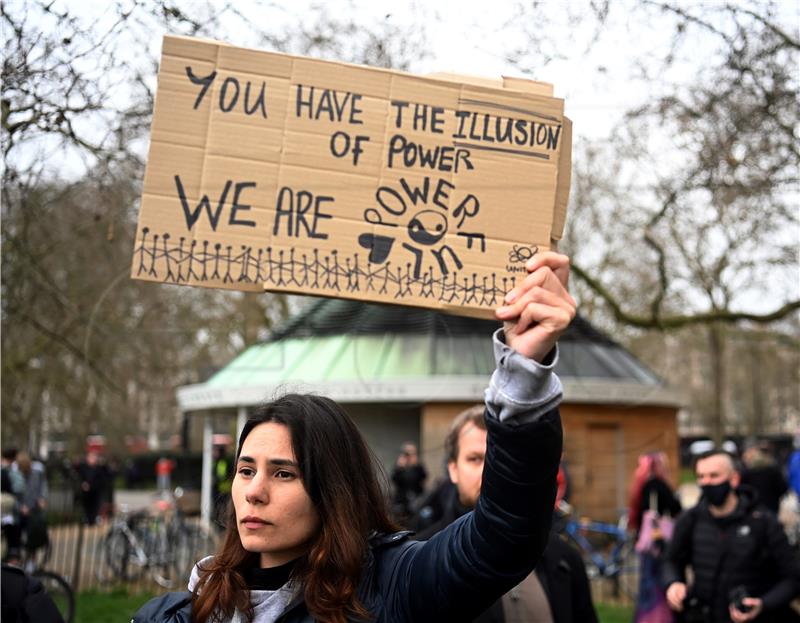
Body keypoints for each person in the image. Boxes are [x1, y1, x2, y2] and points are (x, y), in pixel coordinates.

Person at [133, 251, 575, 623]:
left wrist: (523, 374)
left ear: (333, 490)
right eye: (246, 470)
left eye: (284, 473)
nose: (254, 492)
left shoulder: (391, 589)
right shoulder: (177, 612)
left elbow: (502, 537)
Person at [415, 404, 599, 623]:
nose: (490, 470)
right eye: (475, 459)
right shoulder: (420, 560)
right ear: (453, 469)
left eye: (500, 457)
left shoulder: (564, 559)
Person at [663, 450, 800, 623]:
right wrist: (673, 583)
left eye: (714, 476)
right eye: (701, 476)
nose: (706, 482)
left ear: (734, 479)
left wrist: (763, 604)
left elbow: (793, 578)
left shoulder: (763, 522)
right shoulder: (690, 519)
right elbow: (671, 560)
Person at [628, 452, 681, 623]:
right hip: (656, 542)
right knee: (657, 580)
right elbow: (674, 508)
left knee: (647, 582)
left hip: (645, 541)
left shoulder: (642, 485)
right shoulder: (657, 484)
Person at [11, 453, 49, 556]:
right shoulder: (14, 472)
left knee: (34, 535)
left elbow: (43, 485)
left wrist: (43, 498)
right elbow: (13, 492)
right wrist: (20, 506)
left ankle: (32, 558)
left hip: (34, 508)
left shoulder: (38, 470)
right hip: (21, 509)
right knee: (17, 534)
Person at [740, 441, 788, 515]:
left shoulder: (748, 472)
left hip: (754, 508)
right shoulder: (774, 471)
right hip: (771, 507)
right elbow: (783, 488)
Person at [390, 442, 427, 521]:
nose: (409, 456)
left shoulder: (418, 467)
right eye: (407, 453)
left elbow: (423, 477)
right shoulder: (400, 466)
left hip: (417, 499)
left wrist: (416, 465)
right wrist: (399, 468)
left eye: (412, 453)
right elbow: (394, 479)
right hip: (401, 500)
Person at [74, 451, 105, 525]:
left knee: (95, 507)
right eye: (90, 457)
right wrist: (83, 485)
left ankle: (94, 519)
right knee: (86, 507)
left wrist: (91, 486)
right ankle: (87, 519)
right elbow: (79, 477)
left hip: (95, 492)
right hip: (85, 493)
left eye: (93, 458)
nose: (91, 459)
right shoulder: (83, 468)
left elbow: (101, 481)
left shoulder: (99, 469)